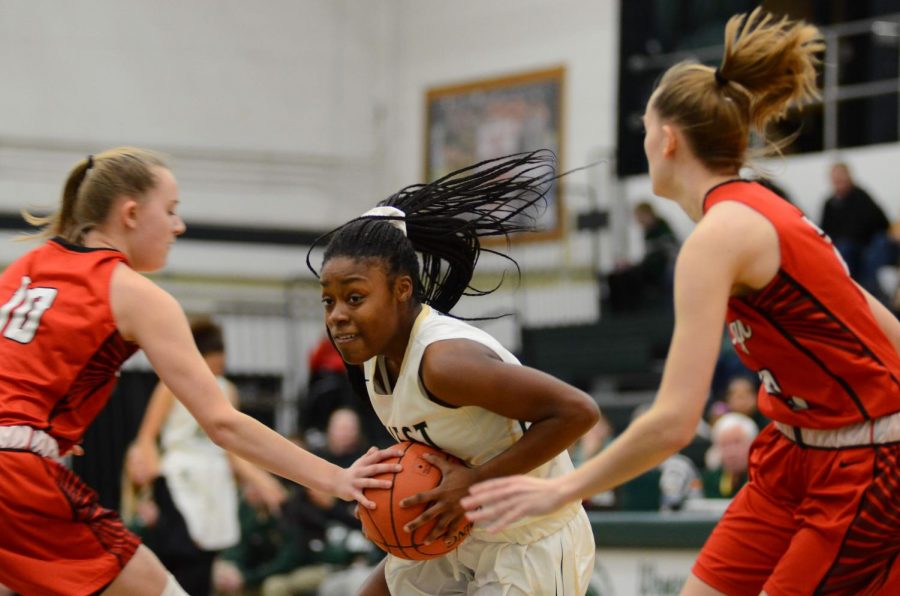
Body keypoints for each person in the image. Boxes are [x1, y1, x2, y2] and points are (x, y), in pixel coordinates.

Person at [463, 9, 900, 595]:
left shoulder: (719, 236)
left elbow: (673, 421)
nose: (644, 142)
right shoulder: (764, 212)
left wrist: (562, 488)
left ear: (667, 139)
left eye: (645, 129)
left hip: (864, 462)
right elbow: (884, 325)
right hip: (790, 452)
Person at [0, 148, 401, 596]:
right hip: (16, 477)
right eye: (170, 211)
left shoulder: (26, 268)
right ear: (131, 214)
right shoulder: (134, 292)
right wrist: (335, 478)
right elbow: (223, 423)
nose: (179, 226)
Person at [310, 149, 600, 594]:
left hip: (529, 537)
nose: (337, 315)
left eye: (354, 298)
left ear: (401, 291)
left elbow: (578, 412)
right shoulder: (373, 356)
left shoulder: (445, 362)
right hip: (458, 527)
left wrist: (476, 482)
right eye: (329, 301)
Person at [125, 317, 287, 595]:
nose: (220, 369)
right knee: (182, 559)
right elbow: (146, 437)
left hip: (215, 480)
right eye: (216, 361)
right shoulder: (171, 384)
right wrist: (156, 485)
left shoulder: (227, 390)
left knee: (206, 560)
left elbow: (232, 450)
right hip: (179, 479)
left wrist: (264, 481)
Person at [820, 161, 894, 300]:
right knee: (840, 250)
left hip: (866, 243)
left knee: (858, 251)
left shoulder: (861, 197)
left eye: (841, 177)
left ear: (849, 177)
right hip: (844, 245)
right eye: (835, 178)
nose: (839, 181)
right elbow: (824, 230)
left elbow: (880, 222)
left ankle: (870, 295)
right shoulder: (829, 204)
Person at [607, 201, 680, 312]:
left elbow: (668, 254)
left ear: (647, 214)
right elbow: (651, 256)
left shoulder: (661, 229)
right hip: (656, 268)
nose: (637, 220)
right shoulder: (648, 232)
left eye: (639, 216)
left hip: (665, 269)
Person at [702, 413, 757, 500]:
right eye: (725, 444)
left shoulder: (762, 479)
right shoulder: (709, 481)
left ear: (752, 444)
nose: (731, 452)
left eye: (737, 442)